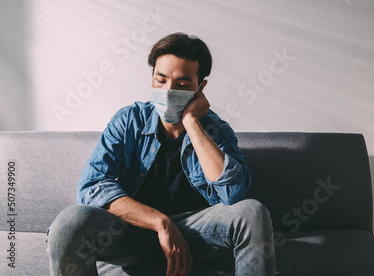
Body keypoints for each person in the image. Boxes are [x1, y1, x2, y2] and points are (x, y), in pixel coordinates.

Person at [47, 33, 276, 276]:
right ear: (151, 78)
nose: (168, 91)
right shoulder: (128, 121)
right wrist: (160, 222)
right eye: (161, 80)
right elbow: (92, 186)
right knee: (70, 221)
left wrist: (191, 123)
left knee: (252, 211)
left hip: (197, 236)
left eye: (183, 84)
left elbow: (233, 194)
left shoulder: (217, 130)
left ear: (201, 87)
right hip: (132, 233)